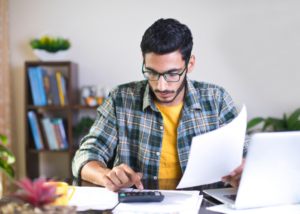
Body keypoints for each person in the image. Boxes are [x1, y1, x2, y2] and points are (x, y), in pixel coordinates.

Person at [72, 18, 250, 192]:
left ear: (190, 64)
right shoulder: (121, 98)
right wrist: (106, 176)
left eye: (172, 74)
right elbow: (85, 156)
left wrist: (244, 170)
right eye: (151, 72)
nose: (161, 86)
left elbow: (247, 156)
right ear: (144, 62)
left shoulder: (217, 99)